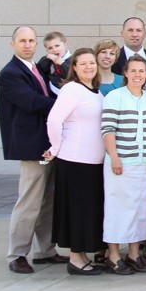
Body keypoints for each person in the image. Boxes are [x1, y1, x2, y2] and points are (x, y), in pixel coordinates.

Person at [0, 26, 63, 274]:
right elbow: (31, 101)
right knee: (29, 202)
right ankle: (17, 254)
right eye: (22, 41)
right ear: (12, 43)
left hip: (47, 146)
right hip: (31, 147)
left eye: (31, 41)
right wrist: (64, 105)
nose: (27, 45)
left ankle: (45, 250)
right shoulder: (11, 73)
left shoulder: (37, 68)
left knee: (47, 202)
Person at [45, 48, 106, 276]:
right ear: (74, 68)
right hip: (74, 161)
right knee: (76, 210)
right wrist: (56, 148)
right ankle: (75, 259)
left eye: (92, 63)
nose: (89, 67)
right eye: (83, 64)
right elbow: (54, 119)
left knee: (86, 210)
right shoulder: (71, 89)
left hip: (93, 163)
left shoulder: (95, 92)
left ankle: (81, 255)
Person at [101, 55, 146, 275]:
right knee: (118, 208)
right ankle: (114, 255)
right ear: (125, 73)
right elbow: (108, 129)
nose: (137, 75)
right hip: (121, 164)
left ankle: (134, 253)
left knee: (141, 209)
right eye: (133, 70)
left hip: (145, 163)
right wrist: (114, 157)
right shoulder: (115, 97)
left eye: (141, 71)